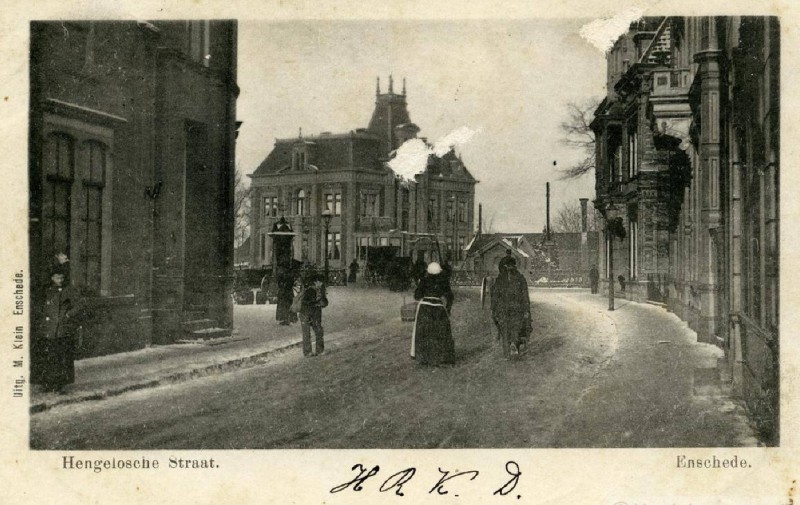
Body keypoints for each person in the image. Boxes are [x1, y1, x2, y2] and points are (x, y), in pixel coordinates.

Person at [32, 263, 82, 392]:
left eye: (61, 278)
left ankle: (59, 385)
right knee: (47, 357)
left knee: (60, 358)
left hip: (61, 329)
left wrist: (68, 315)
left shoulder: (68, 289)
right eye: (57, 278)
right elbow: (40, 306)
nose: (60, 280)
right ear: (52, 278)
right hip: (48, 329)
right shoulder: (47, 290)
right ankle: (46, 384)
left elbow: (79, 305)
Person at [410, 262, 455, 366]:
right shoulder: (443, 281)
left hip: (425, 307)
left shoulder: (424, 280)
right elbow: (450, 297)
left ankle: (424, 358)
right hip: (439, 308)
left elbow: (417, 295)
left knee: (424, 332)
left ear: (428, 272)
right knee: (439, 332)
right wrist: (448, 309)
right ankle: (440, 358)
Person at [491, 255, 531, 359]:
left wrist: (494, 309)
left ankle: (507, 352)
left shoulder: (499, 279)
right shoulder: (520, 278)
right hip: (517, 307)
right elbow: (525, 295)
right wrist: (526, 310)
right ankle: (514, 343)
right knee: (515, 327)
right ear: (514, 266)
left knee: (505, 329)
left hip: (503, 308)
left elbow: (495, 296)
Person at [298, 271, 328, 357]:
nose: (321, 284)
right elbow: (308, 302)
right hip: (309, 312)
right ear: (316, 281)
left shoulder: (319, 289)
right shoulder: (310, 289)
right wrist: (317, 302)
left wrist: (322, 302)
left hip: (311, 312)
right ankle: (313, 351)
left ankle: (313, 351)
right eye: (320, 282)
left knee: (313, 331)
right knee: (311, 331)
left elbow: (325, 301)